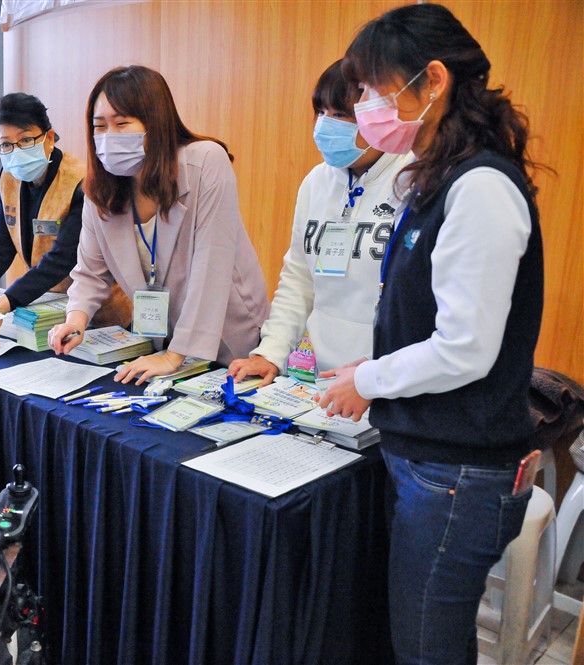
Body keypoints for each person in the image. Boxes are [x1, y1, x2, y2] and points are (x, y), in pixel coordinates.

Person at [318, 5, 545, 663]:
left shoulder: (481, 186)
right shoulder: (439, 177)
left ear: (434, 80)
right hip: (432, 458)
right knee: (426, 640)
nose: (362, 105)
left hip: (458, 471)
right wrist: (371, 369)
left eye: (371, 87)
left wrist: (368, 379)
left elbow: (466, 347)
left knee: (426, 649)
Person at [48, 65, 269, 383]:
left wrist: (174, 355)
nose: (109, 137)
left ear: (155, 123)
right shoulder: (101, 190)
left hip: (230, 334)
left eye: (122, 123)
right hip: (163, 343)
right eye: (99, 126)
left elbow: (212, 265)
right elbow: (90, 272)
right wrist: (75, 319)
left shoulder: (206, 161)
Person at [228, 60, 411, 386]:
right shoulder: (317, 181)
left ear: (377, 116)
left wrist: (376, 378)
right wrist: (270, 352)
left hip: (379, 379)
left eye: (340, 114)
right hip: (313, 375)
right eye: (321, 112)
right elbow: (299, 278)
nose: (325, 125)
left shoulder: (413, 180)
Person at [0, 93, 129, 351]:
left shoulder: (81, 182)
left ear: (49, 138)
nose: (16, 151)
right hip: (48, 311)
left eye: (26, 140)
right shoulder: (9, 177)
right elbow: (0, 248)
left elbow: (60, 260)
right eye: (6, 144)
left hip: (100, 316)